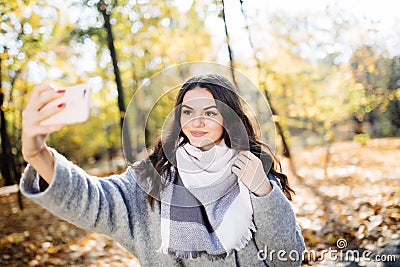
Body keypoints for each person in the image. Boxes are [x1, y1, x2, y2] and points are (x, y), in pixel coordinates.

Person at [20, 74, 305, 266]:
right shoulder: (151, 178)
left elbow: (288, 258)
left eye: (210, 112)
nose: (197, 122)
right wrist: (37, 154)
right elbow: (96, 200)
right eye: (188, 111)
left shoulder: (252, 171)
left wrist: (264, 193)